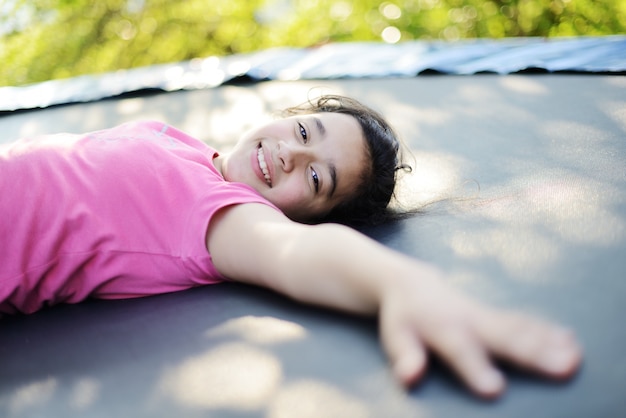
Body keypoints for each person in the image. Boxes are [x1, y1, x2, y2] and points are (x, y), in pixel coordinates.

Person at [0, 95, 581, 399]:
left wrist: (401, 283)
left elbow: (296, 255)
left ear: (306, 214)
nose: (293, 156)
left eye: (317, 180)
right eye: (304, 134)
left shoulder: (224, 217)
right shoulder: (180, 143)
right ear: (288, 117)